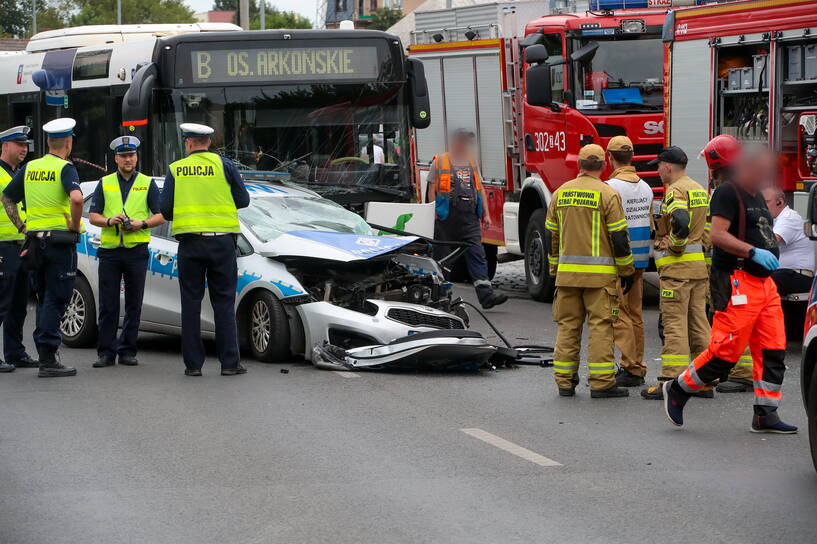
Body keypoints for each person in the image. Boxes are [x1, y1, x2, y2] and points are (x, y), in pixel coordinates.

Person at [663, 148, 797, 433]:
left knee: (773, 349)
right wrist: (753, 252)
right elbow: (718, 235)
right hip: (738, 279)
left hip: (764, 284)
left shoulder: (758, 196)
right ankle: (678, 388)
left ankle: (765, 413)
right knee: (725, 353)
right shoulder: (728, 193)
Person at [160, 123, 250, 377]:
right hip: (222, 243)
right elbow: (243, 200)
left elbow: (165, 210)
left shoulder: (176, 169)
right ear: (209, 142)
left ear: (188, 143)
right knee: (223, 302)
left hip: (190, 244)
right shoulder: (225, 165)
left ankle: (193, 365)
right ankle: (230, 363)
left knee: (190, 303)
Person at [546, 144, 634, 398]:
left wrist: (555, 269)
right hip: (600, 278)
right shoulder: (607, 194)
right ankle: (601, 382)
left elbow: (553, 236)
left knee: (568, 327)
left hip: (567, 277)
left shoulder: (560, 193)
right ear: (604, 164)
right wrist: (626, 270)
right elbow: (619, 237)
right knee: (601, 327)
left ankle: (564, 381)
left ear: (579, 165)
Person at [1, 118, 83, 377]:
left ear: (48, 142)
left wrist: (23, 227)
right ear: (68, 143)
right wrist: (75, 225)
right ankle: (48, 357)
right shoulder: (65, 168)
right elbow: (78, 198)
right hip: (57, 243)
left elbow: (7, 198)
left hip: (33, 243)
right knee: (55, 299)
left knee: (38, 299)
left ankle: (29, 351)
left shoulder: (30, 168)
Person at [88, 136, 165, 368]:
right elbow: (93, 216)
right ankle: (106, 353)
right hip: (110, 252)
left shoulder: (146, 182)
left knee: (134, 303)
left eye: (131, 155)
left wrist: (141, 223)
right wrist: (110, 220)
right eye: (123, 156)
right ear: (116, 159)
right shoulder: (105, 182)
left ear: (136, 157)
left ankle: (128, 350)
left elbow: (160, 215)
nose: (128, 159)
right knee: (108, 304)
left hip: (136, 251)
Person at [641, 147, 711, 400]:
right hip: (698, 270)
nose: (657, 170)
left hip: (677, 272)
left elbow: (680, 221)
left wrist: (675, 244)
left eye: (658, 166)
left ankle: (671, 382)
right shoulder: (698, 189)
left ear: (668, 167)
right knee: (699, 325)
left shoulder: (676, 190)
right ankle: (704, 380)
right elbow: (707, 229)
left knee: (675, 326)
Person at [427, 129, 507, 309]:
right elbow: (432, 188)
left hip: (469, 217)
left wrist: (486, 214)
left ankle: (486, 296)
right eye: (463, 141)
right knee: (444, 257)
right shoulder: (439, 162)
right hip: (447, 217)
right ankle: (441, 297)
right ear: (456, 142)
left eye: (467, 142)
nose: (465, 145)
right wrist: (432, 209)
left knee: (477, 254)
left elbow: (480, 190)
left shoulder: (471, 162)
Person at [701, 134, 755, 394]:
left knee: (732, 321)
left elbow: (719, 235)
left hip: (731, 270)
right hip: (741, 268)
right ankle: (733, 369)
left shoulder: (725, 192)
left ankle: (741, 372)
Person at [604, 136, 654, 387]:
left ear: (609, 157)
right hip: (641, 258)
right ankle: (637, 364)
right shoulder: (645, 187)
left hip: (619, 261)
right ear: (632, 157)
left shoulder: (610, 187)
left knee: (619, 314)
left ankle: (629, 365)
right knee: (635, 314)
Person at [0, 126, 38, 373]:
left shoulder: (23, 173)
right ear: (5, 146)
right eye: (19, 145)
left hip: (22, 245)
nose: (24, 149)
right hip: (2, 245)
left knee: (18, 304)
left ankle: (15, 353)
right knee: (1, 302)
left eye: (26, 145)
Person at [761, 186, 814, 296]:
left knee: (757, 285)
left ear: (779, 202)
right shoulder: (777, 219)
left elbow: (770, 242)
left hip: (796, 275)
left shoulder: (789, 217)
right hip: (786, 274)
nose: (762, 207)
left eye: (765, 202)